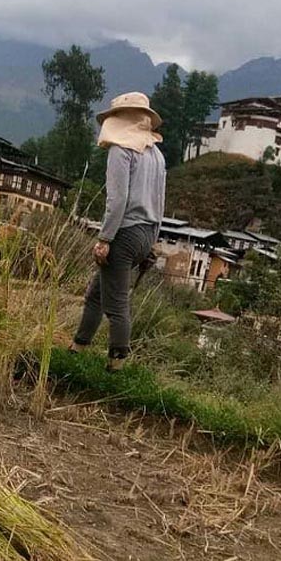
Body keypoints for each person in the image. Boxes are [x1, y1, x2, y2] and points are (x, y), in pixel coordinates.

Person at [70, 92, 166, 370]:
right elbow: (160, 201)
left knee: (116, 304)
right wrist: (153, 240)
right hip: (146, 233)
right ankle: (77, 348)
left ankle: (117, 365)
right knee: (96, 295)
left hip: (124, 233)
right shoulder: (156, 154)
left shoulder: (121, 150)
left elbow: (117, 199)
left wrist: (104, 239)